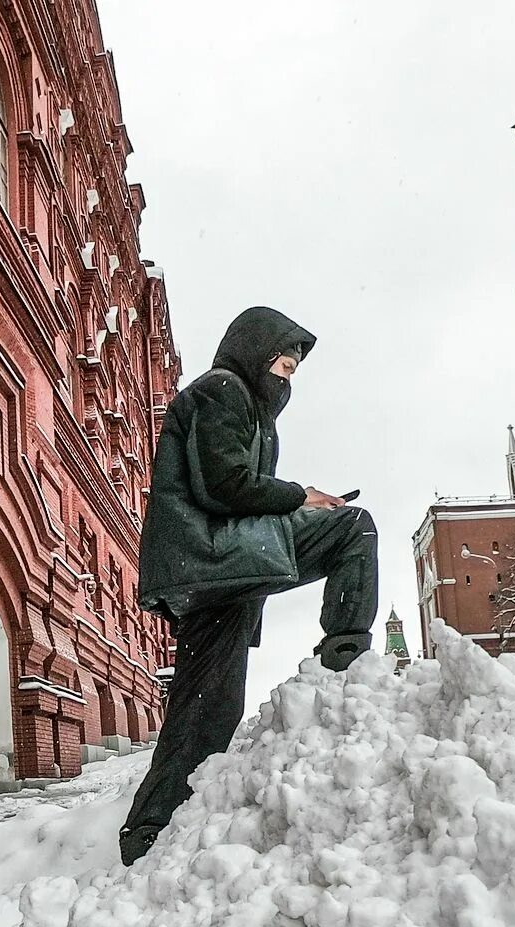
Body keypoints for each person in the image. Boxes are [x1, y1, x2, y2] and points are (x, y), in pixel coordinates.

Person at [118, 306, 378, 867]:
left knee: (208, 708)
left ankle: (154, 834)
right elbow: (223, 484)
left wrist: (293, 498)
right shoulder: (222, 391)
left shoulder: (246, 404)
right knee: (354, 527)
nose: (287, 379)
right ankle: (346, 660)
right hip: (213, 562)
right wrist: (299, 494)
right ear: (258, 354)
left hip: (228, 567)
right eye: (283, 365)